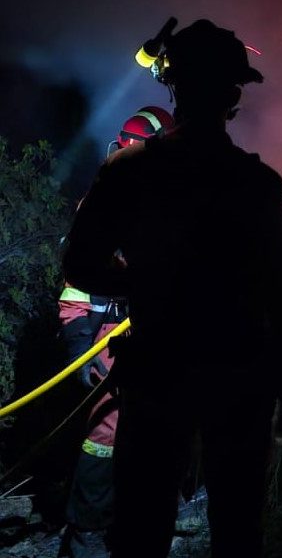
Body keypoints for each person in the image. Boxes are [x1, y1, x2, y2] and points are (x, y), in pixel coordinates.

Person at [62, 19, 282, 558]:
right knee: (237, 530)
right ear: (234, 95)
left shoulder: (127, 173)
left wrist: (147, 285)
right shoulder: (260, 186)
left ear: (172, 85)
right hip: (239, 380)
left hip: (156, 373)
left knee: (141, 528)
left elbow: (80, 266)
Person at [58, 106, 174, 558]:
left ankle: (129, 529)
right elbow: (77, 286)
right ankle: (85, 533)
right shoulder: (106, 200)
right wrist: (79, 346)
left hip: (160, 335)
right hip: (111, 335)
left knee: (152, 436)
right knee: (104, 437)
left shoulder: (170, 199)